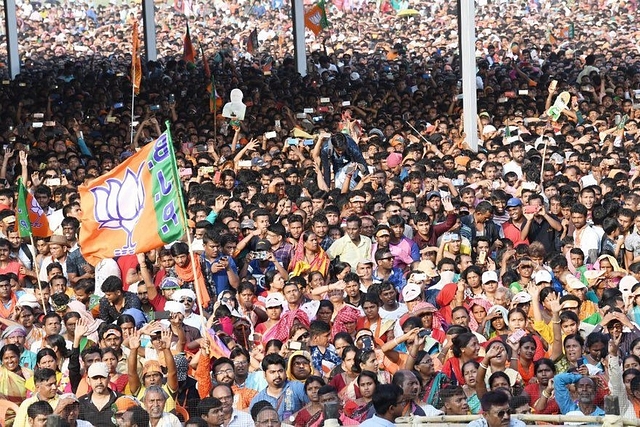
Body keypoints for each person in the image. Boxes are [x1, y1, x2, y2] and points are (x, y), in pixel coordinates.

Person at [250, 354, 309, 420]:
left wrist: (293, 419)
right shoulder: (258, 399)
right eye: (272, 372)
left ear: (285, 371)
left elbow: (315, 405)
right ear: (264, 374)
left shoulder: (296, 387)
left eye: (280, 371)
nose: (277, 375)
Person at [78, 362, 120, 427]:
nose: (99, 381)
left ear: (109, 378)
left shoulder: (120, 400)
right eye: (95, 378)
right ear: (88, 380)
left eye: (102, 377)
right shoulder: (81, 403)